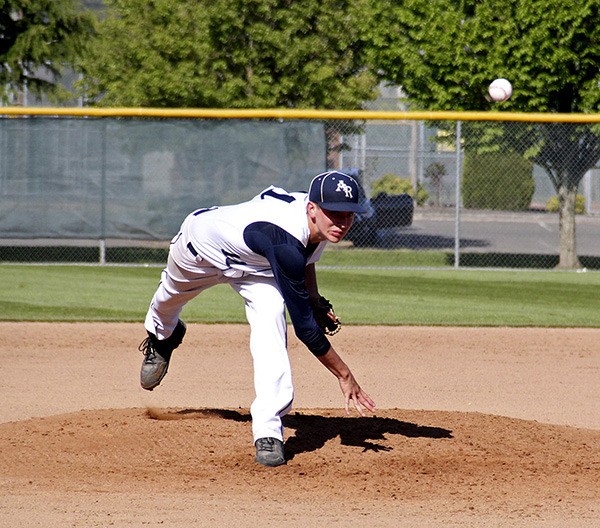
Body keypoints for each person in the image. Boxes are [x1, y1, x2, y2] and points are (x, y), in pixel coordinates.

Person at [138, 170, 376, 467]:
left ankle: (268, 430)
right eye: (334, 213)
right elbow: (306, 329)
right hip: (201, 250)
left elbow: (305, 257)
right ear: (312, 208)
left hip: (258, 268)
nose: (341, 222)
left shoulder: (320, 225)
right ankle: (163, 336)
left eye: (349, 214)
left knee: (272, 314)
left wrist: (313, 300)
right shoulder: (287, 239)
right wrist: (344, 376)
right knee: (167, 300)